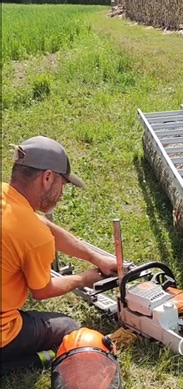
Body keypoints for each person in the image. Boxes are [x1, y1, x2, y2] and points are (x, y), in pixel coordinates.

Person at [1, 136, 117, 376]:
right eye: (62, 185)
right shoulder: (32, 235)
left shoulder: (6, 197)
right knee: (67, 327)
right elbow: (42, 291)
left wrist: (97, 258)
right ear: (47, 178)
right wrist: (84, 278)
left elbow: (46, 227)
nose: (61, 194)